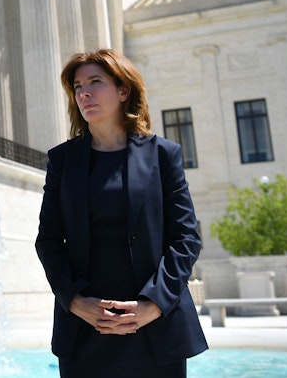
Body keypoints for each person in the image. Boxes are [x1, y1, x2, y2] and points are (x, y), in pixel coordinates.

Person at [35, 49, 208, 377]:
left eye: (95, 82)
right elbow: (48, 241)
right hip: (85, 329)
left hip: (155, 329)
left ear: (123, 90)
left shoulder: (164, 154)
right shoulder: (62, 160)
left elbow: (186, 239)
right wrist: (74, 301)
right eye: (77, 86)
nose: (84, 92)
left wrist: (153, 305)